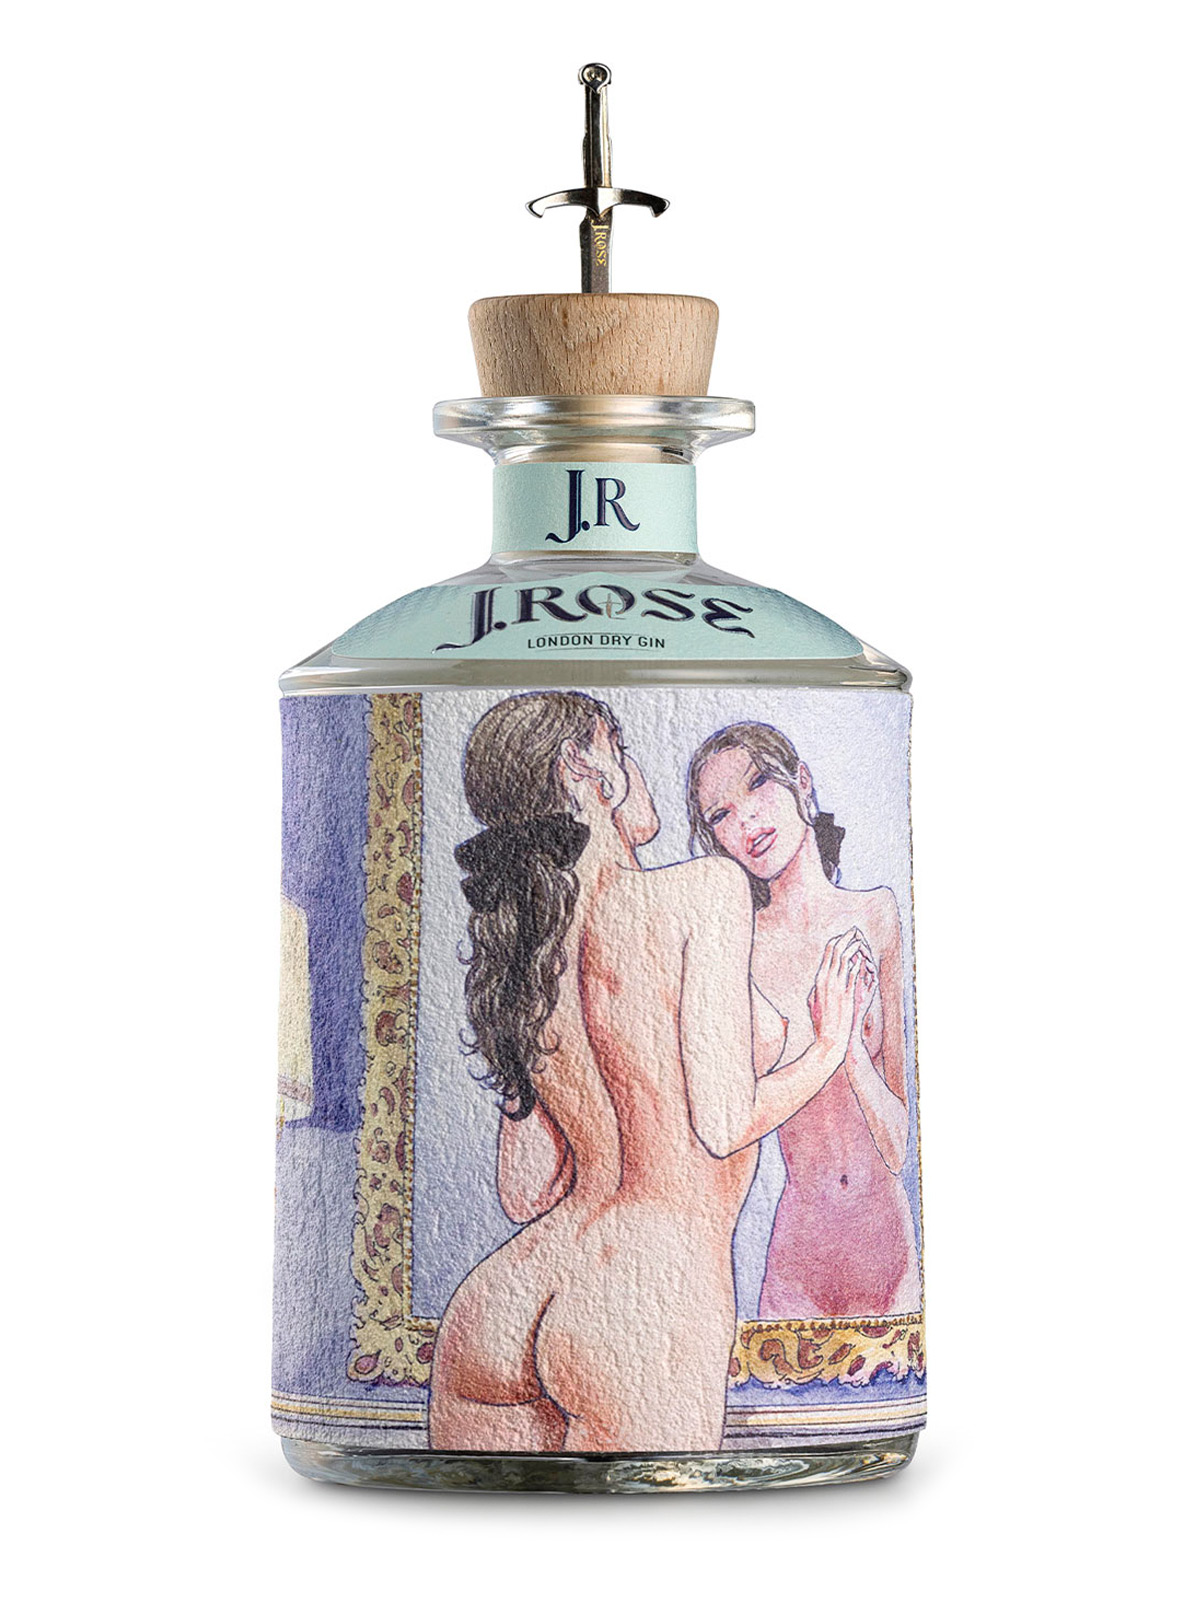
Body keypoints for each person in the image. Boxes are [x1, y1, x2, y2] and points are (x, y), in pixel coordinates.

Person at [428, 691, 872, 1453]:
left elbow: (525, 1192)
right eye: (622, 749)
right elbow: (723, 1124)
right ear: (582, 765)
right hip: (645, 1295)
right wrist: (828, 1044)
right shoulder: (703, 890)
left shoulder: (525, 951)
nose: (635, 769)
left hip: (503, 1302)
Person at [687, 722, 920, 1320]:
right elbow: (725, 1122)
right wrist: (828, 1039)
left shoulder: (877, 914)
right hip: (797, 1267)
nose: (746, 820)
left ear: (802, 783)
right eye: (720, 814)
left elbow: (898, 1146)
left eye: (757, 784)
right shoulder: (735, 949)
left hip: (889, 1260)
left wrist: (849, 1049)